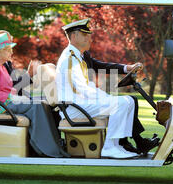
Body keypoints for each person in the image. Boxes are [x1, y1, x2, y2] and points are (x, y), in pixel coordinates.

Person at [56, 18, 159, 159]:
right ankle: (110, 147)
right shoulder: (70, 58)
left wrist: (106, 95)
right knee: (121, 103)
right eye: (85, 35)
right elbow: (82, 89)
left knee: (128, 101)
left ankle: (119, 145)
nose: (90, 39)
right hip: (74, 108)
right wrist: (107, 98)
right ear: (74, 36)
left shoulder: (78, 56)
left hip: (80, 103)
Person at [0, 32, 69, 158]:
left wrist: (19, 97)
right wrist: (16, 98)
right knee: (37, 106)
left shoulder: (1, 66)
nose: (11, 52)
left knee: (43, 104)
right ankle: (44, 149)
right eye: (8, 50)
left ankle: (54, 146)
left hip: (5, 102)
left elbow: (8, 88)